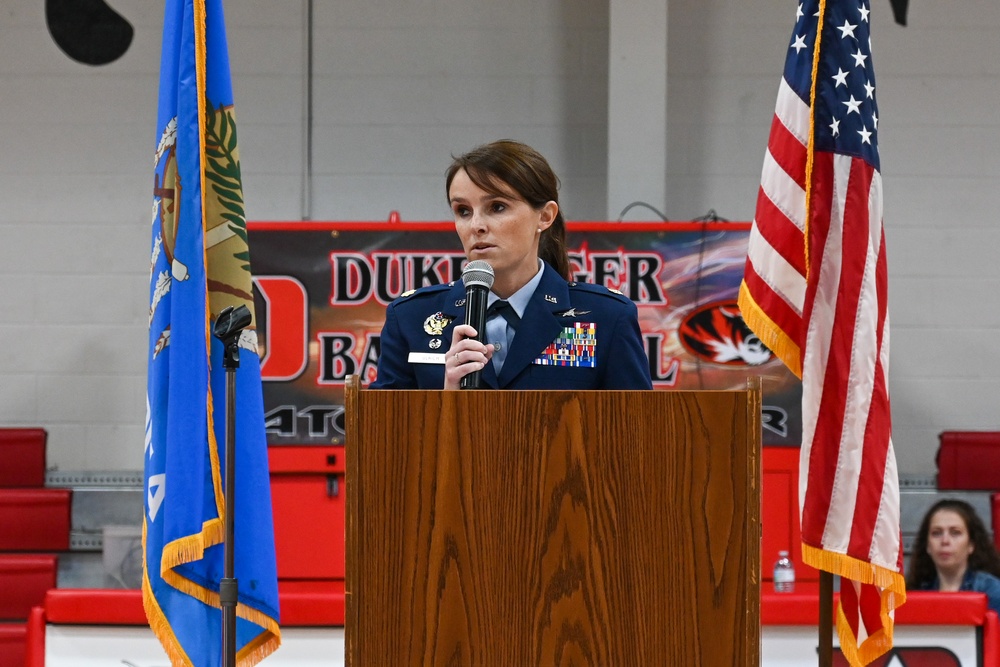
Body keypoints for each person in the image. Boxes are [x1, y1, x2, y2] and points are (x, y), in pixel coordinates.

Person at [372, 139, 653, 390]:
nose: (476, 226)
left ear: (544, 216)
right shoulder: (411, 317)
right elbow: (383, 437)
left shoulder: (606, 317)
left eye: (497, 207)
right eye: (463, 211)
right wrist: (448, 399)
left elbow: (637, 434)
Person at [906, 498, 1000, 615]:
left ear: (971, 544)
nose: (945, 541)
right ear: (927, 546)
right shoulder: (915, 592)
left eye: (955, 532)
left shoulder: (992, 591)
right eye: (937, 533)